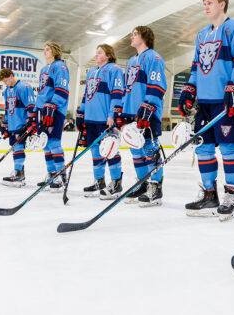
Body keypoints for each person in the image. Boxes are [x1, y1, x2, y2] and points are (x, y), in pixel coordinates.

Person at [179, 0, 234, 220]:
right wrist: (189, 89)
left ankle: (231, 193)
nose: (206, 7)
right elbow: (196, 66)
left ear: (222, 4)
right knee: (204, 149)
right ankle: (210, 195)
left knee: (230, 149)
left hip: (227, 100)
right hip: (205, 102)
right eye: (204, 4)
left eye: (209, 2)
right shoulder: (201, 35)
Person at [117, 26, 166, 206]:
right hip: (131, 111)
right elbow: (126, 88)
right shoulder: (131, 61)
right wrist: (122, 110)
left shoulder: (153, 57)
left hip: (148, 111)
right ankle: (143, 183)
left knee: (150, 150)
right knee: (135, 149)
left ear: (144, 37)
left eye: (135, 34)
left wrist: (148, 106)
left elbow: (157, 85)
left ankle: (156, 187)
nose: (131, 37)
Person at [77, 43, 125, 199]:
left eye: (99, 52)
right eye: (96, 52)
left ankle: (116, 183)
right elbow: (86, 95)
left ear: (108, 55)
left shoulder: (114, 70)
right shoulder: (91, 72)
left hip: (105, 120)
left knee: (110, 150)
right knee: (96, 152)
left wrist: (113, 114)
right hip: (91, 119)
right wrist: (81, 113)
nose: (96, 55)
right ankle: (99, 181)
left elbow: (117, 93)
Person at [35, 42, 70, 191]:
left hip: (55, 110)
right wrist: (36, 110)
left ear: (55, 51)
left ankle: (61, 176)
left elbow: (62, 89)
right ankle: (51, 174)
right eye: (44, 49)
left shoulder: (60, 66)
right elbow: (42, 92)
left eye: (48, 49)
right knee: (46, 144)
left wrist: (53, 105)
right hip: (43, 110)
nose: (45, 51)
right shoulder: (44, 69)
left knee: (54, 143)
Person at [0, 68, 35, 187]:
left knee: (18, 148)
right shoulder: (6, 92)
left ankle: (19, 173)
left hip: (21, 125)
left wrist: (30, 122)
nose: (5, 83)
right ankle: (18, 171)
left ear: (11, 76)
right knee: (15, 149)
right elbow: (7, 109)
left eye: (5, 80)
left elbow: (31, 106)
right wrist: (5, 126)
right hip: (12, 125)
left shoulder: (24, 87)